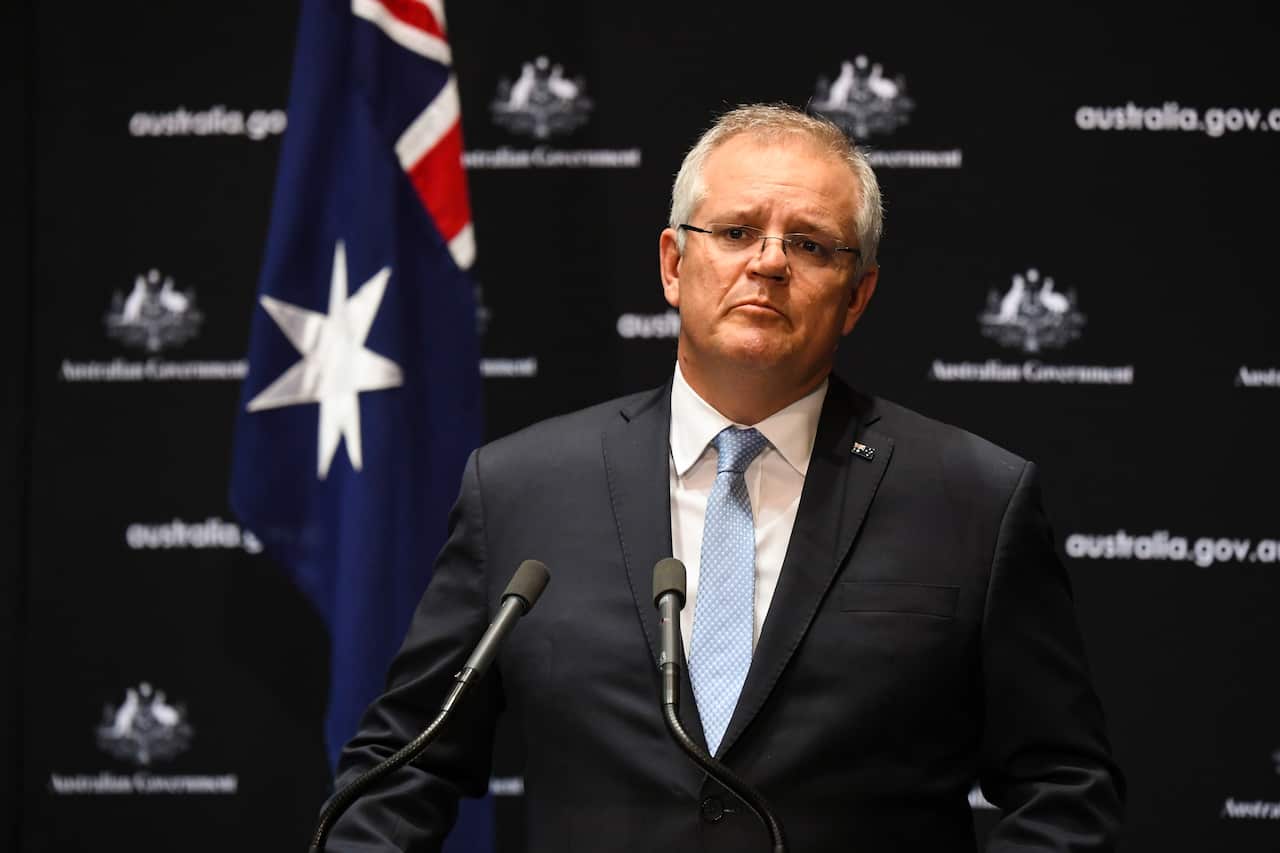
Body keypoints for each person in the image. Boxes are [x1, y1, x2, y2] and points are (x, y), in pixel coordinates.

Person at [328, 103, 1125, 852]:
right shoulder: (522, 487)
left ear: (858, 296)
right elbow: (400, 768)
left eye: (811, 245)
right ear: (674, 264)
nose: (769, 262)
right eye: (738, 231)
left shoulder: (974, 498)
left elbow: (1063, 789)